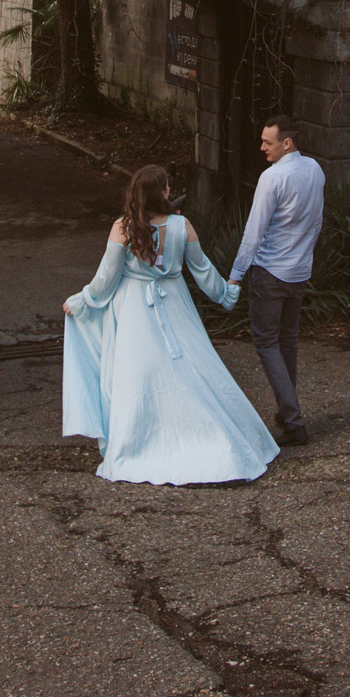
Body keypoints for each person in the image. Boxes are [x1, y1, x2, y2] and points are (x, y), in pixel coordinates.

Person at [61, 164, 279, 485]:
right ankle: (215, 440)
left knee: (137, 377)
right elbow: (202, 270)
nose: (169, 190)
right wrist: (225, 294)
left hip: (134, 309)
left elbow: (106, 280)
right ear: (160, 192)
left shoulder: (122, 227)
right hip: (176, 304)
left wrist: (82, 301)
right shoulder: (181, 225)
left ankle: (137, 444)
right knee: (193, 367)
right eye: (166, 186)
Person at [228, 115, 324, 445]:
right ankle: (287, 413)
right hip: (298, 272)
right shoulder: (315, 169)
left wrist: (235, 276)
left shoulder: (272, 178)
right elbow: (316, 222)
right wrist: (304, 258)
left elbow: (253, 232)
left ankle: (294, 423)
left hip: (270, 273)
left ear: (287, 142)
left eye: (267, 142)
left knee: (267, 343)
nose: (261, 147)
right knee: (287, 343)